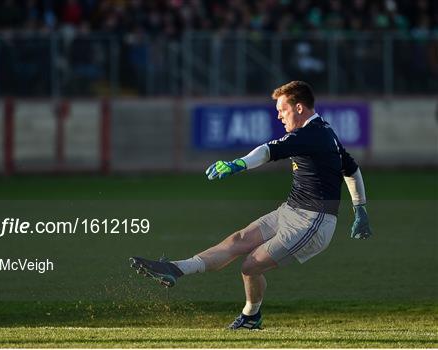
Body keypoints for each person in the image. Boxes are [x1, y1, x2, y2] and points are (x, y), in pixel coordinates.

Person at [130, 81, 373, 330]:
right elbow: (352, 169)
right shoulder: (324, 132)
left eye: (283, 109)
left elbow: (268, 151)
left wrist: (238, 164)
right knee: (238, 241)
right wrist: (360, 209)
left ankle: (251, 316)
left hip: (313, 221)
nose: (278, 115)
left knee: (250, 266)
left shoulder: (312, 134)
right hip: (290, 210)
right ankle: (175, 268)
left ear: (299, 108)